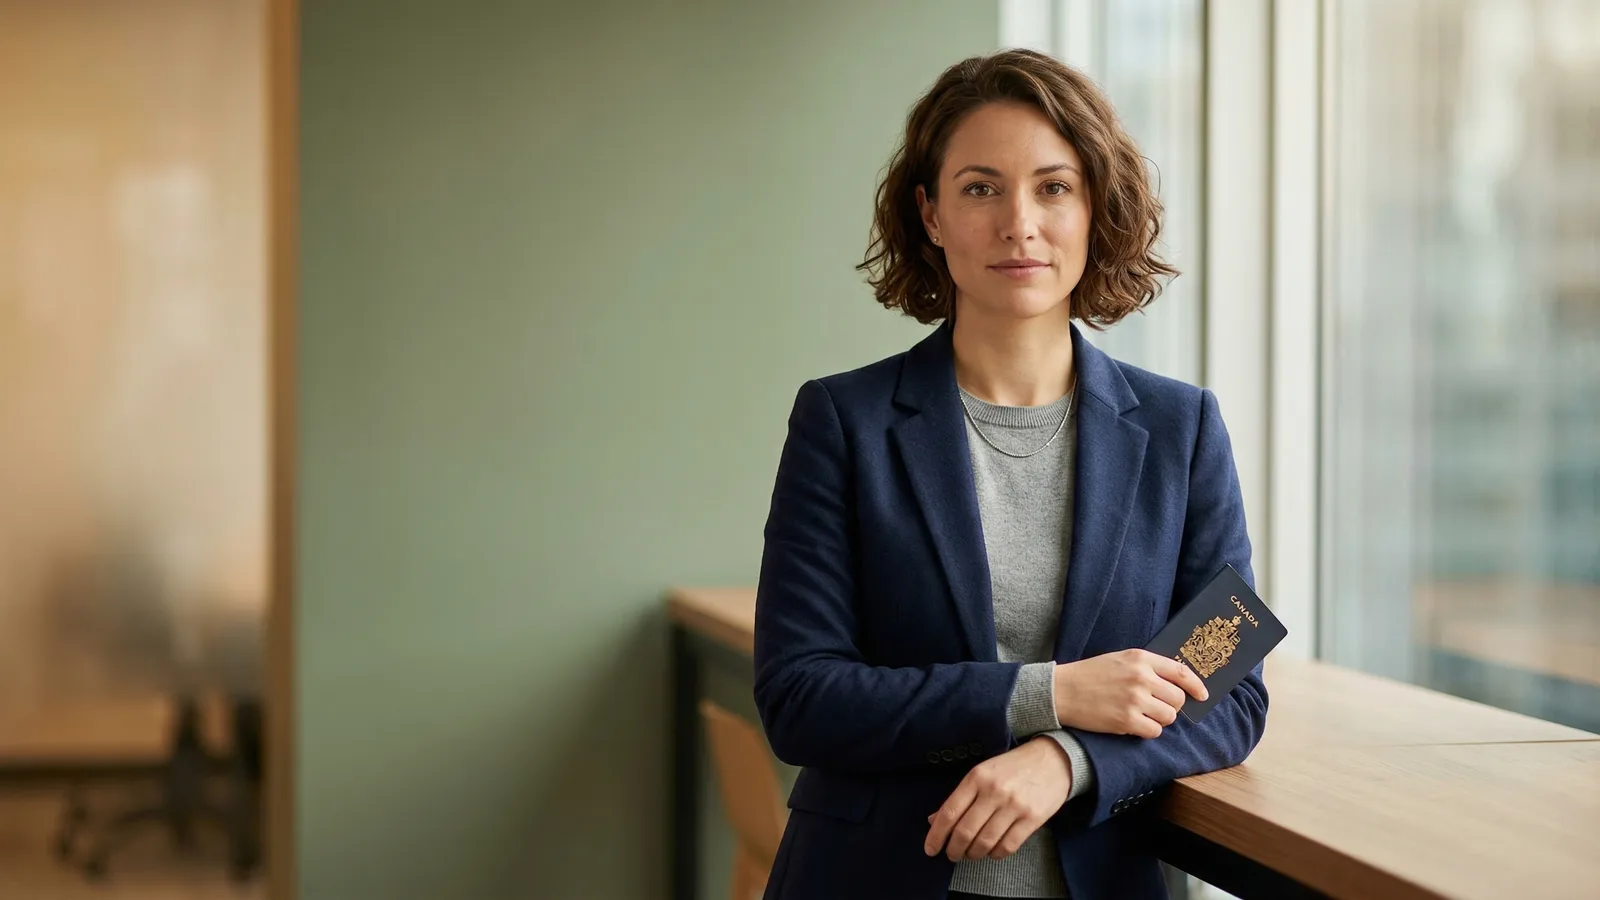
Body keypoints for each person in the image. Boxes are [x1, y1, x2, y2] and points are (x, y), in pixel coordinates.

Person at [751, 49, 1269, 900]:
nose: (1018, 223)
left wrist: (1067, 759)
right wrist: (1048, 694)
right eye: (981, 188)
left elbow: (1229, 689)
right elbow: (801, 697)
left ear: (1095, 207)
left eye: (1054, 187)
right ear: (931, 214)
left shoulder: (1182, 430)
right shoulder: (843, 421)